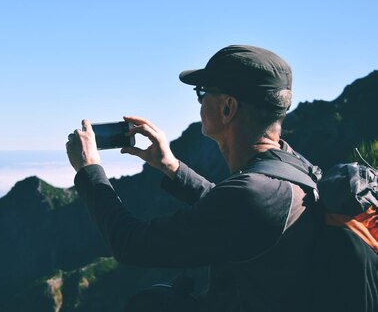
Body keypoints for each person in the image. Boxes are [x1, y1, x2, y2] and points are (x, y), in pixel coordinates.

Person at [66, 45, 317, 312]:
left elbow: (131, 244)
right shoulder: (296, 167)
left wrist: (89, 169)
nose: (199, 102)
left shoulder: (251, 196)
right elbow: (232, 211)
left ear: (227, 108)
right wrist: (172, 166)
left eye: (202, 93)